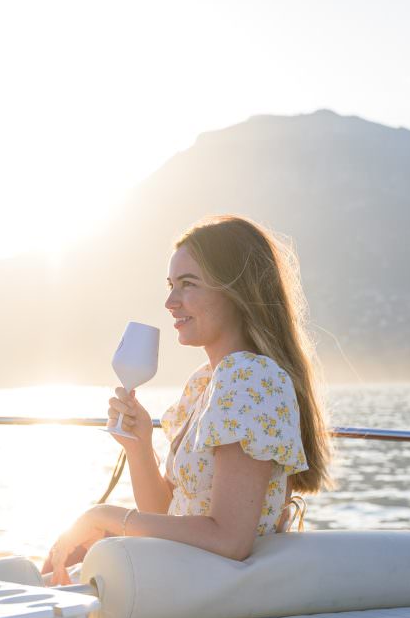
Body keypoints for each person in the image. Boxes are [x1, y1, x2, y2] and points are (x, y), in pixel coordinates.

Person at [46, 215, 332, 585]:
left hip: (203, 591)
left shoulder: (249, 377)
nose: (170, 302)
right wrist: (139, 446)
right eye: (170, 285)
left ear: (236, 291)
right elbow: (167, 514)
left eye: (188, 284)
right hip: (181, 580)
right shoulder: (206, 381)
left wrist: (104, 517)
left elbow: (229, 539)